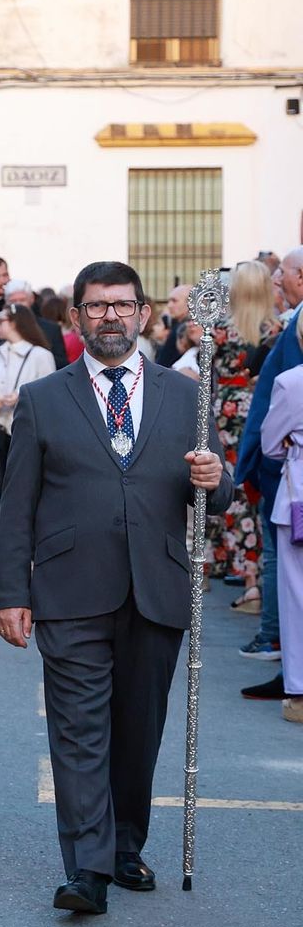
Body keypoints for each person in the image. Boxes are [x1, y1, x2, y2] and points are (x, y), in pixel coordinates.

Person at [0, 261, 232, 915]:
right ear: (77, 317)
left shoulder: (186, 395)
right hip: (70, 588)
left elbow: (215, 494)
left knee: (137, 732)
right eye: (97, 306)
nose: (110, 317)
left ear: (143, 314)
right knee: (78, 732)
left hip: (156, 587)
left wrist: (215, 478)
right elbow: (17, 505)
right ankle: (88, 868)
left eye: (122, 305)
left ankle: (126, 844)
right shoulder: (44, 398)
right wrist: (12, 592)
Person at [234, 246, 303, 681]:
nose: (278, 281)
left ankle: (283, 653)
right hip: (282, 464)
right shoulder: (280, 327)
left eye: (286, 274)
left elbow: (273, 434)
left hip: (289, 478)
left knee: (286, 566)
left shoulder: (293, 376)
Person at [209, 260, 277, 609]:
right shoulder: (275, 329)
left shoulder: (220, 327)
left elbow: (207, 373)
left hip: (227, 411)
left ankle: (240, 572)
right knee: (260, 489)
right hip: (265, 411)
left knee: (232, 488)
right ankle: (260, 576)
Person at [0, 305, 55, 570]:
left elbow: (50, 389)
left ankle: (29, 550)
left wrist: (21, 396)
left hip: (26, 429)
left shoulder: (41, 355)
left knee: (27, 491)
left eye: (2, 319)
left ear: (16, 322)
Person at [259, 362, 303, 723]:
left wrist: (293, 442)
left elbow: (271, 445)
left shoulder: (292, 382)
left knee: (297, 598)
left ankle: (300, 691)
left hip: (299, 498)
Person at [154, 284, 192, 368]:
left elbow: (163, 362)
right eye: (169, 301)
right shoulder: (177, 326)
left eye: (174, 301)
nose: (169, 305)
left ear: (190, 303)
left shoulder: (184, 329)